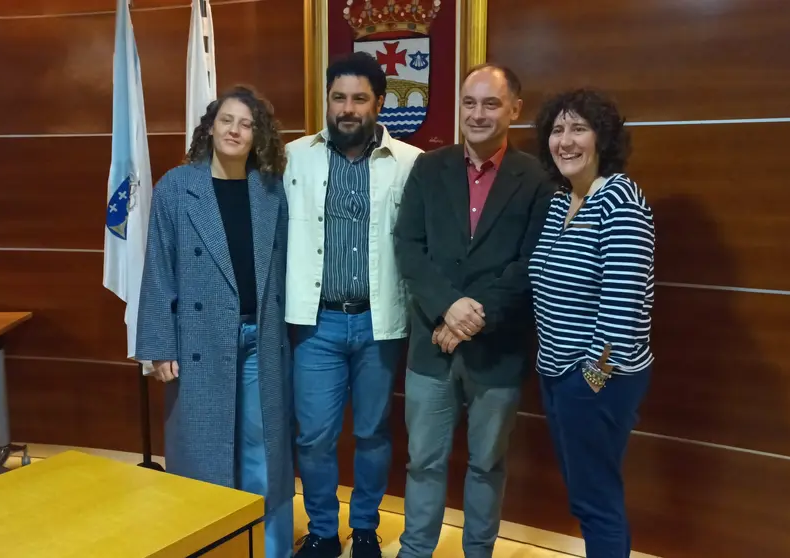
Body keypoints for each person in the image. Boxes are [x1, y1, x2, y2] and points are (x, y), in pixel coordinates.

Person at [394, 64, 555, 558]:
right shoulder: (428, 168)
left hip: (497, 351)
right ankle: (415, 551)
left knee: (487, 464)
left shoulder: (536, 177)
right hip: (431, 344)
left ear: (514, 110)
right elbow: (408, 247)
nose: (478, 113)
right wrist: (449, 307)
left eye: (490, 103)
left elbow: (532, 262)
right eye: (469, 102)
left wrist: (470, 317)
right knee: (423, 462)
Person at [134, 85, 295, 558]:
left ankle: (270, 549)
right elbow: (158, 272)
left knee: (262, 452)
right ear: (210, 126)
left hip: (259, 338)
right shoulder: (176, 188)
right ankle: (210, 547)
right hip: (200, 340)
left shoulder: (270, 190)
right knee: (204, 451)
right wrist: (159, 345)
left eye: (247, 124)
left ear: (257, 136)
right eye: (227, 120)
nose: (235, 130)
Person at [283, 51, 422, 558]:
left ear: (379, 103)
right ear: (326, 101)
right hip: (315, 324)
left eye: (359, 98)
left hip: (378, 323)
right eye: (338, 97)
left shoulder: (409, 163)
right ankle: (322, 530)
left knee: (372, 432)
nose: (347, 108)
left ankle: (364, 527)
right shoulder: (294, 158)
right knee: (314, 436)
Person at [528, 88, 655, 558]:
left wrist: (590, 381)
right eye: (558, 130)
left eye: (578, 128)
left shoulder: (620, 198)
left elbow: (621, 312)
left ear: (602, 138)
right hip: (558, 374)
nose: (566, 141)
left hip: (599, 377)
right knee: (588, 497)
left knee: (595, 501)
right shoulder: (563, 201)